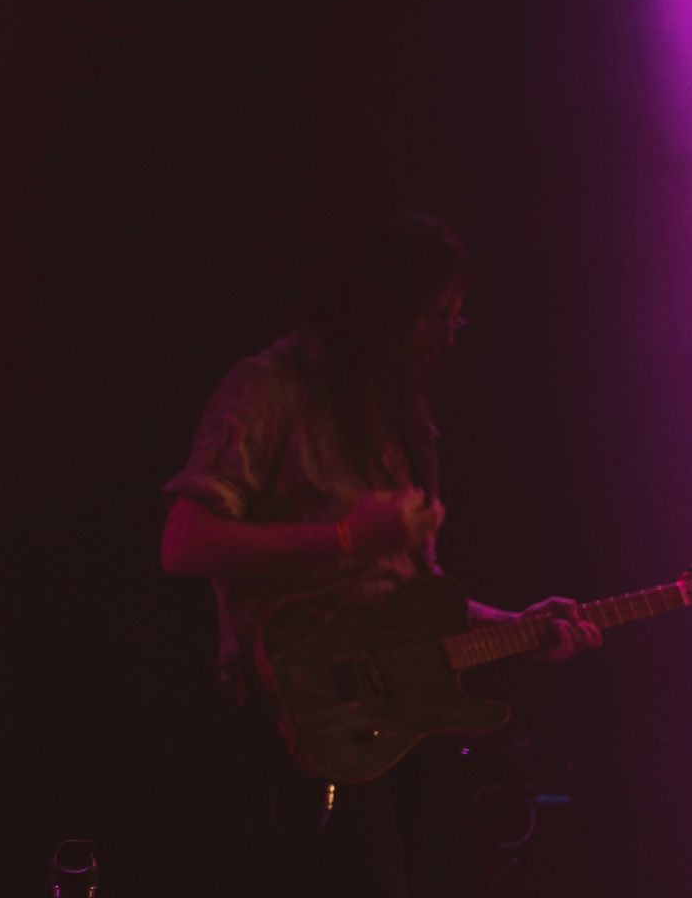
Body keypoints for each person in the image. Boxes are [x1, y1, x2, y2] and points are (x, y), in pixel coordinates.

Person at [159, 213, 601, 897]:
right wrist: (343, 539)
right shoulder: (269, 389)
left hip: (395, 733)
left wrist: (518, 628)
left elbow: (408, 605)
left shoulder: (400, 419)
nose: (449, 335)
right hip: (292, 730)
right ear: (386, 313)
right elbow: (184, 543)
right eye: (438, 315)